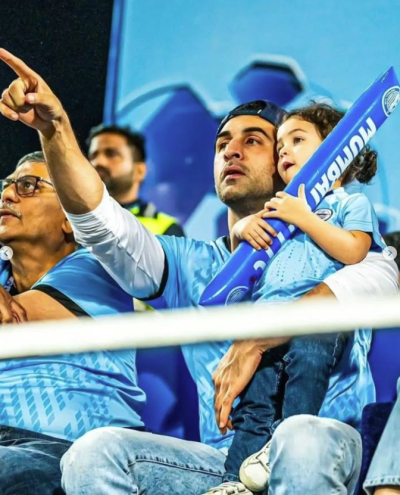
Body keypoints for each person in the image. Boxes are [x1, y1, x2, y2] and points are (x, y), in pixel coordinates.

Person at [0, 49, 398, 495]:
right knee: (96, 451)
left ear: (290, 161)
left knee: (299, 437)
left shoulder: (338, 239)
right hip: (226, 468)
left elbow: (379, 282)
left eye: (255, 141)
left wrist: (259, 337)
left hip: (323, 442)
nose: (231, 150)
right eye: (222, 142)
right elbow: (100, 223)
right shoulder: (191, 264)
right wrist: (55, 129)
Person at [205, 103, 384, 494]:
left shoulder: (350, 203)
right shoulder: (277, 211)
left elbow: (354, 250)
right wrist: (243, 230)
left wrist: (304, 218)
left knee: (306, 368)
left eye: (298, 140)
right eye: (280, 145)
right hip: (271, 322)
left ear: (338, 150)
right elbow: (242, 270)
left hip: (318, 324)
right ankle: (234, 481)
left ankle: (283, 444)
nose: (284, 150)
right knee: (255, 405)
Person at [0, 150, 146, 495]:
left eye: (28, 185)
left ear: (70, 218)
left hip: (67, 452)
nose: (7, 194)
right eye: (6, 185)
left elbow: (11, 322)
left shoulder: (99, 269)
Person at [87, 124, 185, 236]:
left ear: (139, 171)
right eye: (93, 156)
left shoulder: (166, 229)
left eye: (111, 154)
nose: (98, 162)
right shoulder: (75, 222)